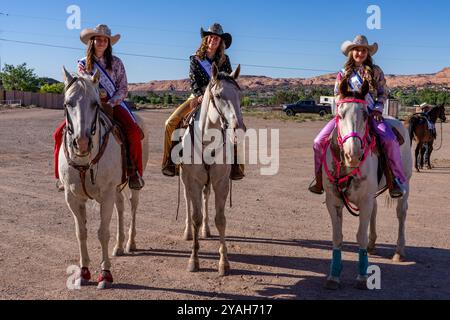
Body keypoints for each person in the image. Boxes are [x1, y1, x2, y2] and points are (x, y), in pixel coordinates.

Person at [309, 35, 406, 198]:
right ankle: (319, 181)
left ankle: (395, 180)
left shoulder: (376, 71)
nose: (360, 53)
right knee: (318, 142)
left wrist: (377, 109)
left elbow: (383, 93)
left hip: (369, 114)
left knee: (389, 140)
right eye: (356, 50)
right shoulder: (343, 73)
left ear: (368, 53)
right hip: (346, 114)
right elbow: (336, 94)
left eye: (363, 50)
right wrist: (343, 109)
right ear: (351, 52)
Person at [53, 24, 145, 190]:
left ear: (109, 43)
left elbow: (123, 88)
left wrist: (110, 103)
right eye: (98, 39)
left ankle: (134, 172)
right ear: (92, 41)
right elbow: (82, 86)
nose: (102, 42)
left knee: (132, 131)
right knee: (59, 133)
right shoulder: (82, 64)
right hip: (89, 104)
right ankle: (61, 176)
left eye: (105, 40)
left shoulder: (116, 63)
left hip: (113, 103)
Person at [161, 23, 245, 180]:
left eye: (217, 38)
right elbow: (193, 81)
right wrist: (200, 95)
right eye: (211, 37)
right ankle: (169, 162)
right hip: (198, 97)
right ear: (206, 39)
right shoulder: (195, 59)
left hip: (219, 99)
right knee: (170, 123)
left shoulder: (225, 60)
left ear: (221, 42)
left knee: (235, 124)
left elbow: (226, 81)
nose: (214, 40)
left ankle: (235, 165)